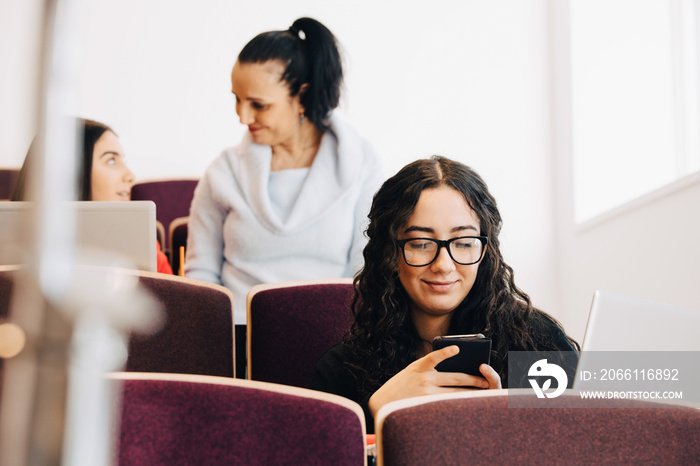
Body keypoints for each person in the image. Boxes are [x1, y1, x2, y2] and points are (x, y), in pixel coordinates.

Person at [312, 156, 579, 432]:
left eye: (463, 243)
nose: (443, 265)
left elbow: (586, 447)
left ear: (484, 253)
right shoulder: (341, 372)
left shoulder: (536, 346)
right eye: (421, 243)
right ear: (390, 253)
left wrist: (504, 427)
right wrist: (377, 414)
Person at [185, 17, 384, 377]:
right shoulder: (224, 171)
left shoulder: (361, 165)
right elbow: (201, 276)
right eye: (237, 100)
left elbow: (365, 271)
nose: (243, 116)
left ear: (303, 96)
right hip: (238, 344)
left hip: (334, 343)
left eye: (258, 104)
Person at [12, 119, 173, 275]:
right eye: (111, 161)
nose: (130, 176)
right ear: (72, 172)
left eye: (123, 161)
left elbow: (174, 301)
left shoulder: (145, 245)